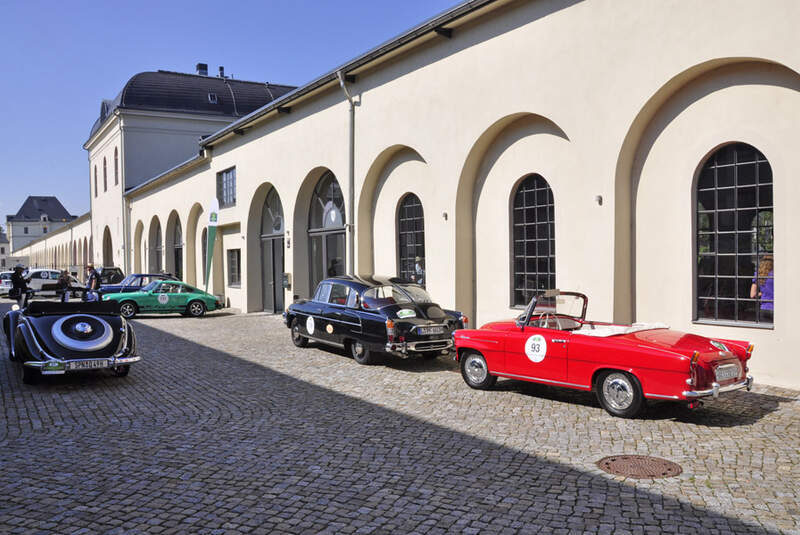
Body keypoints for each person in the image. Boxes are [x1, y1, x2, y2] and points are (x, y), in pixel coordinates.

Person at [750, 254, 774, 323]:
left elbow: (752, 295)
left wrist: (763, 293)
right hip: (775, 309)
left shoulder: (758, 275)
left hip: (764, 309)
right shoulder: (776, 275)